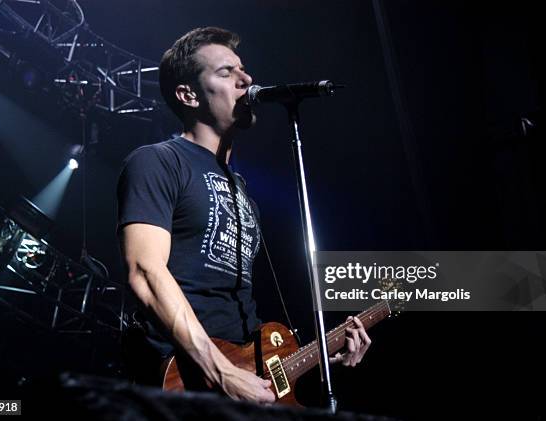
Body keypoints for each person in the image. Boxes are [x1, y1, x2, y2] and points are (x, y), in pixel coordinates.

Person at [117, 27, 371, 405]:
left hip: (246, 366)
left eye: (243, 70)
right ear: (188, 95)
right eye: (225, 73)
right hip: (188, 376)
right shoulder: (157, 161)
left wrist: (322, 354)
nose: (247, 80)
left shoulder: (242, 190)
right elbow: (145, 272)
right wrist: (220, 370)